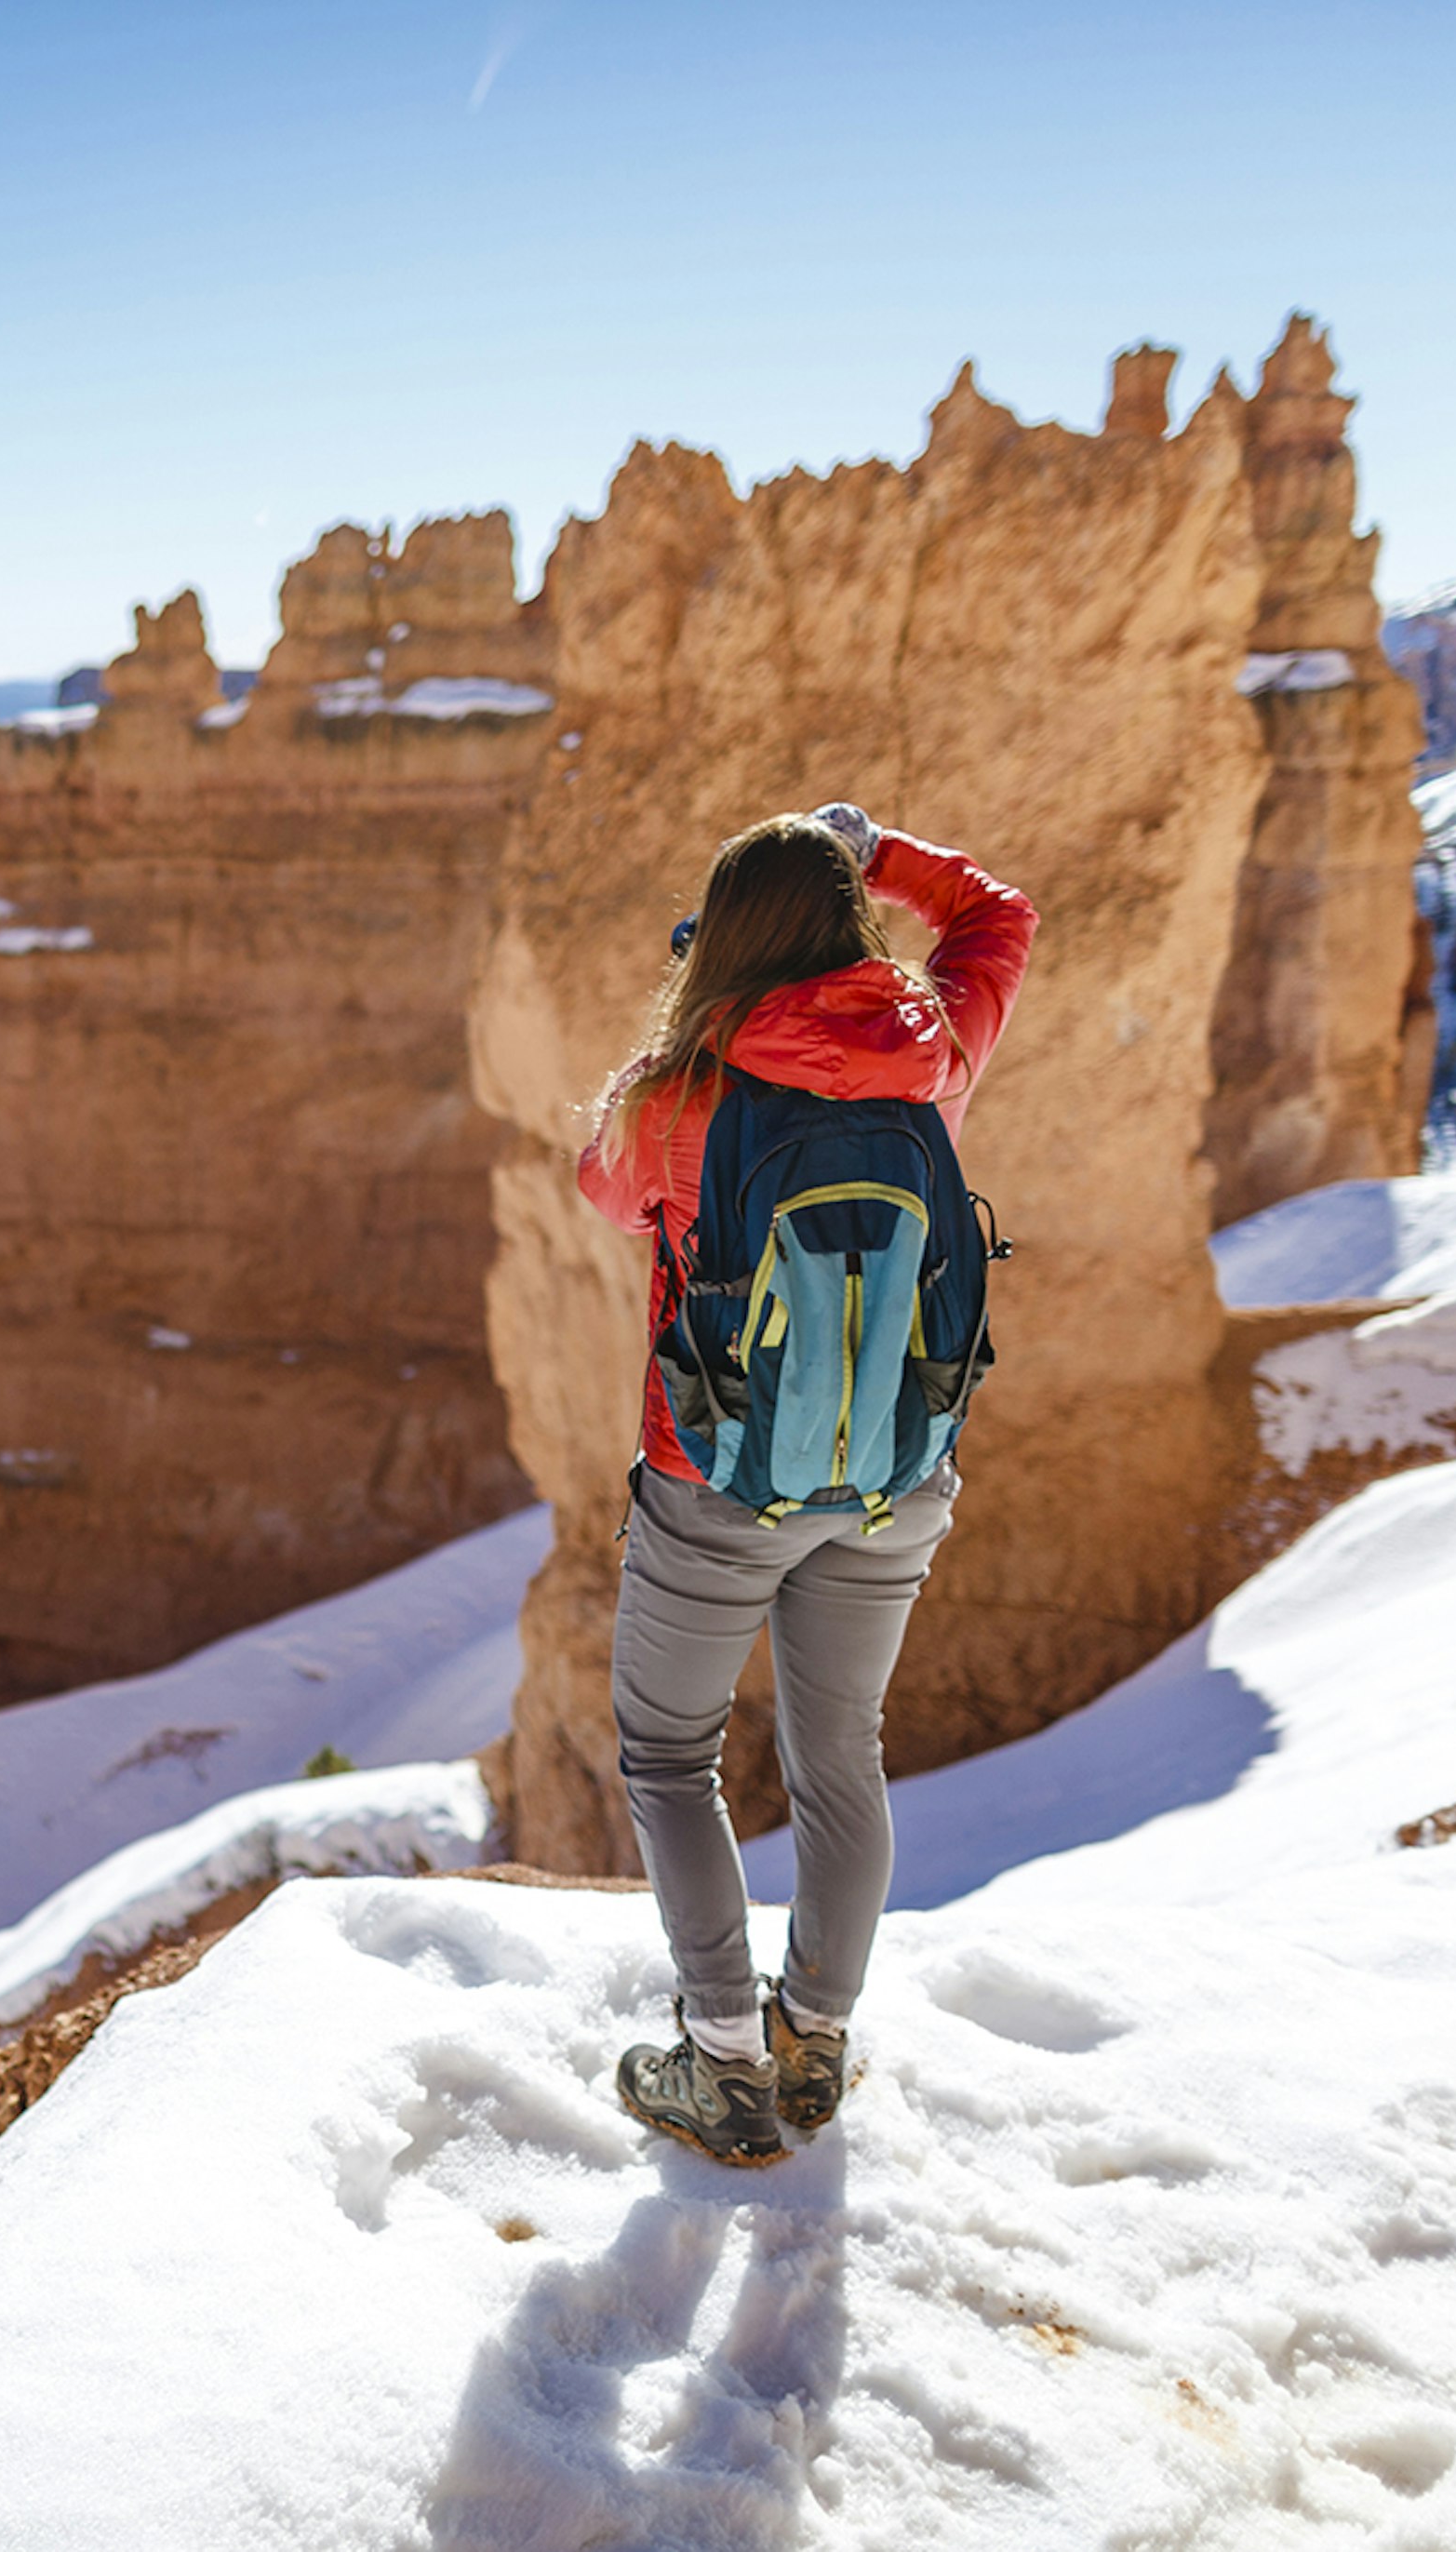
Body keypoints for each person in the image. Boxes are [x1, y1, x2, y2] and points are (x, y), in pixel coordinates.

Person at [578, 803, 1035, 2165]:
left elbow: (602, 1191)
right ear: (848, 923)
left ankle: (720, 2065)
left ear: (719, 940)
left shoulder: (677, 1096)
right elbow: (997, 916)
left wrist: (678, 1033)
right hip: (896, 1476)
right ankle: (813, 2042)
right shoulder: (932, 1055)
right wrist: (876, 845)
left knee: (671, 1755)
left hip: (709, 1480)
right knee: (840, 1757)